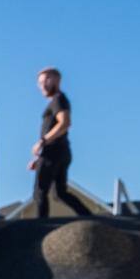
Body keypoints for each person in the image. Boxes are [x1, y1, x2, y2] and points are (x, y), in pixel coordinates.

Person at [30, 67, 95, 218]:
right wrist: (39, 156)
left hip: (54, 152)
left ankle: (41, 227)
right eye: (40, 83)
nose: (43, 85)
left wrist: (43, 141)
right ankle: (88, 216)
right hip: (59, 151)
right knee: (60, 193)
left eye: (47, 80)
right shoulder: (56, 101)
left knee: (40, 192)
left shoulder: (59, 99)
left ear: (57, 80)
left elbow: (64, 123)